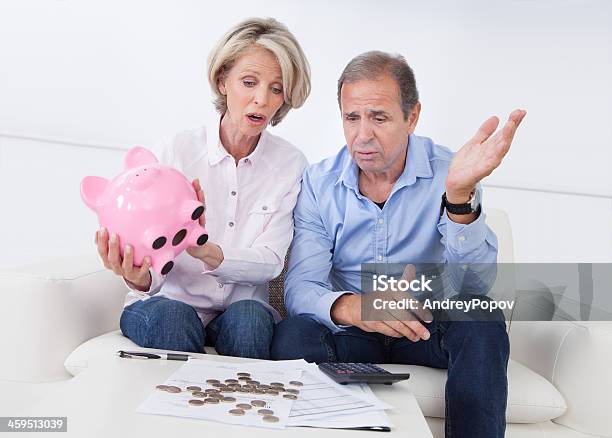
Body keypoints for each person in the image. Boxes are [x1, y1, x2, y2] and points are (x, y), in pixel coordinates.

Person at [271, 50, 526, 437]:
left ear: (412, 116)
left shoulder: (452, 172)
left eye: (379, 117)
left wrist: (458, 197)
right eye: (352, 118)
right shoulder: (319, 183)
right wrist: (354, 307)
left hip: (424, 327)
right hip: (353, 332)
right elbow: (301, 287)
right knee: (293, 334)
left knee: (482, 315)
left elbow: (474, 283)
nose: (362, 134)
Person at [95, 17, 311, 359]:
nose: (262, 100)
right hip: (166, 304)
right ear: (223, 80)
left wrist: (205, 249)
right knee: (173, 318)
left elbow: (271, 262)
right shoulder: (175, 152)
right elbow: (147, 260)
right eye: (249, 82)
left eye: (276, 88)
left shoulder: (290, 164)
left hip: (239, 311)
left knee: (251, 320)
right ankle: (178, 412)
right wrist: (137, 275)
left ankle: (242, 411)